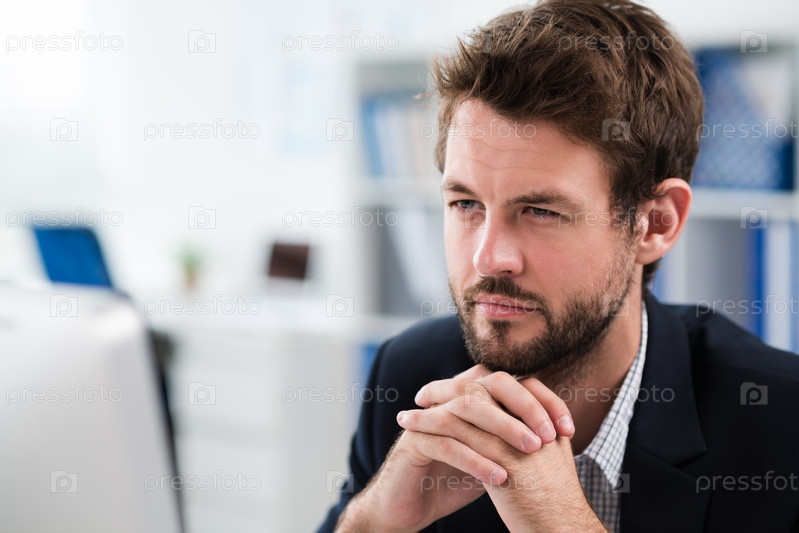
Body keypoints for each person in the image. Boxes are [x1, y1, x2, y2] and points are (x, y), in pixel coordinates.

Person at [319, 0, 799, 531]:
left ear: (655, 224)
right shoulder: (412, 374)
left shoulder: (782, 423)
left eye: (541, 211)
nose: (487, 258)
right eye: (466, 204)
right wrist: (375, 521)